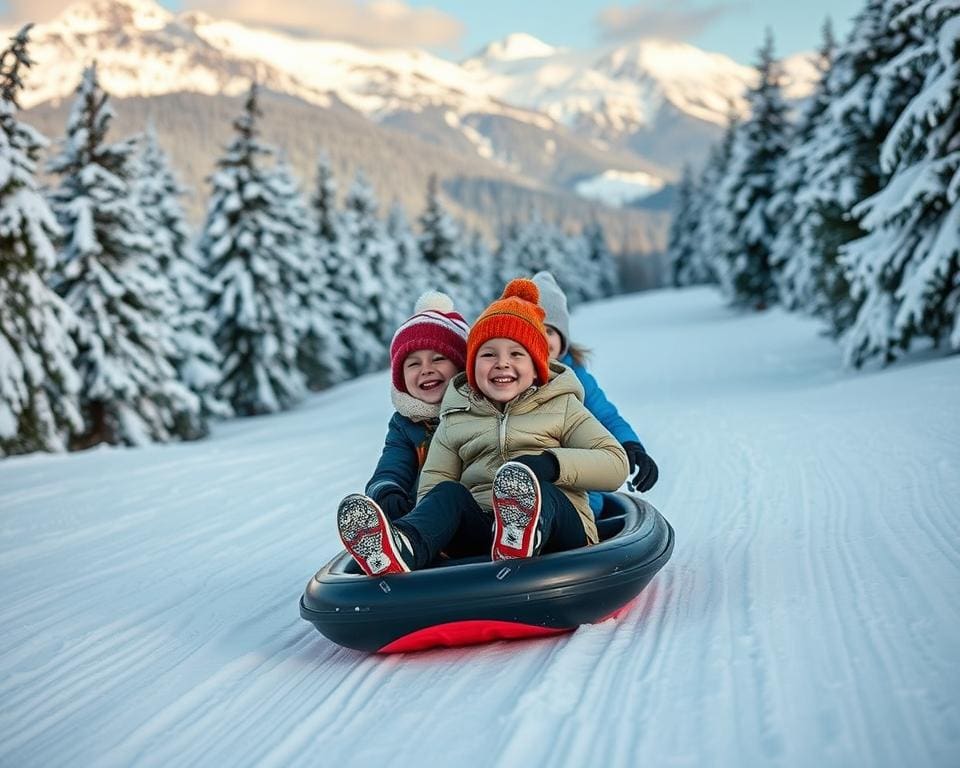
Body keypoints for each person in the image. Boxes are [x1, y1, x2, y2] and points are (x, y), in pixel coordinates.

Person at [337, 278, 629, 576]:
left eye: (516, 354)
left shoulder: (563, 407)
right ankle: (405, 547)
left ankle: (526, 533)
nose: (502, 364)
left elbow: (615, 463)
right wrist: (425, 524)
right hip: (487, 530)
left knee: (545, 494)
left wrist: (551, 465)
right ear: (472, 366)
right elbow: (434, 482)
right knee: (448, 493)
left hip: (560, 530)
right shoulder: (457, 417)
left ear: (537, 366)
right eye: (488, 354)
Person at [532, 270, 658, 517]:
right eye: (534, 329)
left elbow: (606, 416)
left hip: (581, 487)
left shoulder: (577, 379)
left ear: (562, 337)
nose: (542, 339)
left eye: (550, 331)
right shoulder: (509, 379)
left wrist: (631, 446)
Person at [362, 291, 469, 522]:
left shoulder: (479, 409)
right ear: (401, 377)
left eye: (438, 359)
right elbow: (392, 465)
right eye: (413, 363)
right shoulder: (405, 424)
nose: (426, 369)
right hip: (422, 517)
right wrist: (386, 491)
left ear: (461, 366)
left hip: (476, 512)